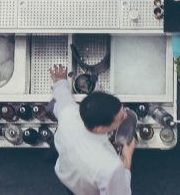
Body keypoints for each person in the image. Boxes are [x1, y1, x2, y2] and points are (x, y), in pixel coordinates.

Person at [49, 65, 134, 195]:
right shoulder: (112, 167)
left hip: (66, 176)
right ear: (100, 129)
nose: (126, 116)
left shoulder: (69, 114)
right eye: (121, 117)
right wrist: (127, 159)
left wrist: (60, 81)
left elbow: (62, 97)